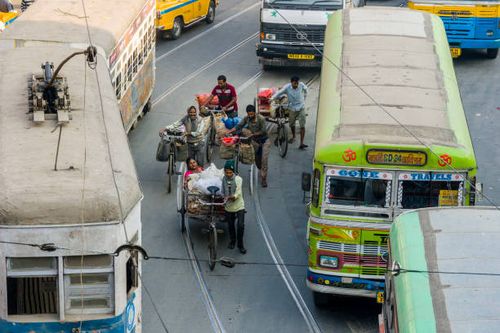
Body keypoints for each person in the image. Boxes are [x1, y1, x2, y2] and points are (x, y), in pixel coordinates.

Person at [228, 104, 271, 188]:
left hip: (264, 141)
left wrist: (253, 134)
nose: (250, 115)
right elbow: (238, 126)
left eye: (252, 114)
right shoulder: (246, 118)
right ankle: (260, 168)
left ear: (254, 113)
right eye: (249, 114)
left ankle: (263, 178)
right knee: (258, 161)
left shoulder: (261, 119)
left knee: (264, 160)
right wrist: (229, 131)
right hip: (255, 141)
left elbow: (263, 131)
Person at [272, 76, 308, 149]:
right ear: (291, 82)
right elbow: (279, 93)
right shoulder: (287, 87)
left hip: (301, 107)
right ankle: (294, 136)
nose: (296, 85)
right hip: (292, 108)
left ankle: (301, 143)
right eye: (295, 83)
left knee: (302, 125)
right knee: (291, 124)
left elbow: (306, 91)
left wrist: (304, 99)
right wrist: (272, 98)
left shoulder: (301, 85)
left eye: (297, 83)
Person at [222, 160, 246, 254]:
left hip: (239, 205)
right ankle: (232, 241)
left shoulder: (238, 179)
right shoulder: (223, 179)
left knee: (240, 225)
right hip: (228, 206)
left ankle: (240, 245)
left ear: (233, 172)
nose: (228, 174)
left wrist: (233, 197)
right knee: (230, 225)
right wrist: (223, 197)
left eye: (230, 172)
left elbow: (238, 192)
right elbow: (223, 190)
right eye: (226, 172)